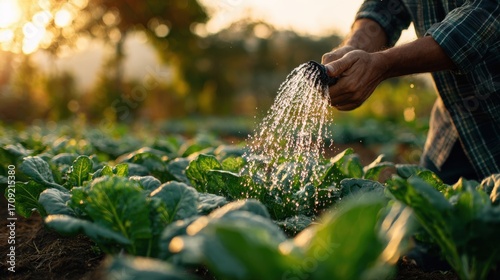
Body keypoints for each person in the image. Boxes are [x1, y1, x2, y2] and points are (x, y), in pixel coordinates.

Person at [321, 0, 499, 185]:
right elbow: (383, 6)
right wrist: (354, 46)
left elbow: (482, 18)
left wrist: (382, 64)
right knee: (425, 205)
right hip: (453, 127)